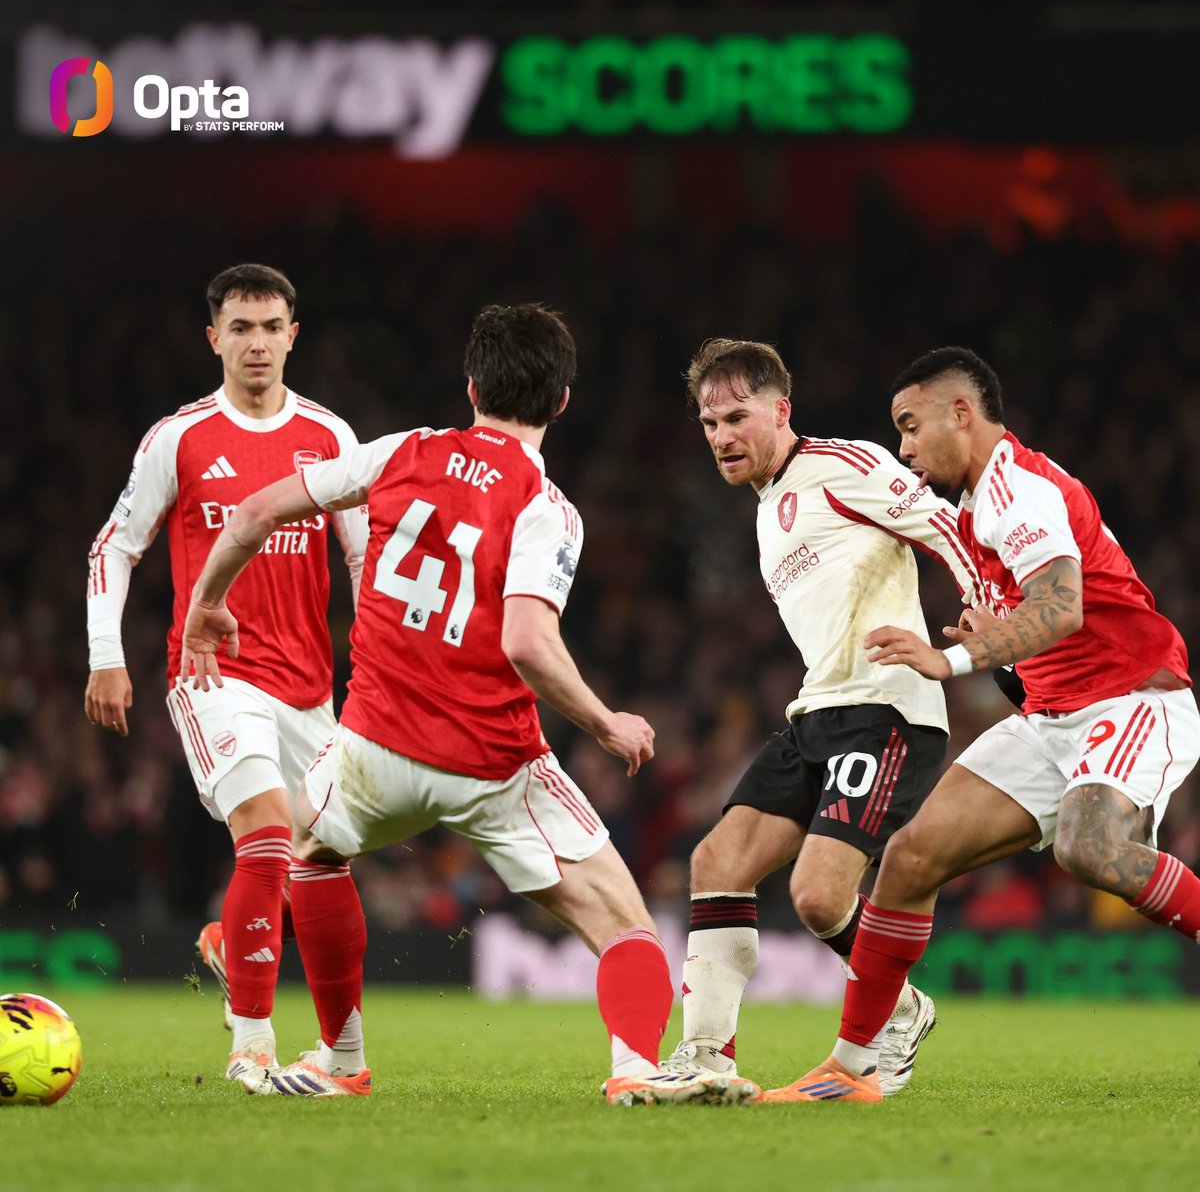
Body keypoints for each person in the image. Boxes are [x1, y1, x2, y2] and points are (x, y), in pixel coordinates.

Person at [178, 303, 757, 1106]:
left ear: (473, 386)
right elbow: (527, 642)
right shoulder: (546, 506)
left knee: (310, 854)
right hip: (494, 764)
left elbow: (253, 513)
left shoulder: (400, 451)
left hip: (373, 747)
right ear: (562, 402)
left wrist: (208, 603)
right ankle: (634, 1068)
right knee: (626, 925)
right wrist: (605, 721)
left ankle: (341, 1060)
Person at [777, 346, 1200, 1102]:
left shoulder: (1017, 490)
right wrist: (998, 646)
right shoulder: (976, 511)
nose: (904, 448)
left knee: (1090, 848)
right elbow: (1041, 637)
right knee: (910, 859)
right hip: (1052, 718)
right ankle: (855, 1064)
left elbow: (1061, 607)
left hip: (1133, 697)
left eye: (911, 426)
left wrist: (953, 659)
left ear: (961, 414)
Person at [660, 339, 986, 1098]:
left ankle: (895, 1011)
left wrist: (989, 619)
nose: (720, 436)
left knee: (817, 897)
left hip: (888, 710)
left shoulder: (843, 463)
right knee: (716, 864)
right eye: (709, 423)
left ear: (782, 410)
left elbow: (947, 528)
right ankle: (703, 1056)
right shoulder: (767, 509)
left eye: (736, 417)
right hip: (819, 710)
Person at [85, 264, 368, 1092]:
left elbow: (365, 556)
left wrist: (378, 668)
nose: (256, 342)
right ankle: (252, 1045)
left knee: (323, 864)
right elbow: (115, 546)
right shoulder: (178, 438)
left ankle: (243, 948)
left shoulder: (330, 436)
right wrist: (106, 654)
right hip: (214, 675)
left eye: (271, 326)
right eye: (240, 327)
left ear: (293, 336)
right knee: (268, 830)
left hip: (310, 690)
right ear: (214, 339)